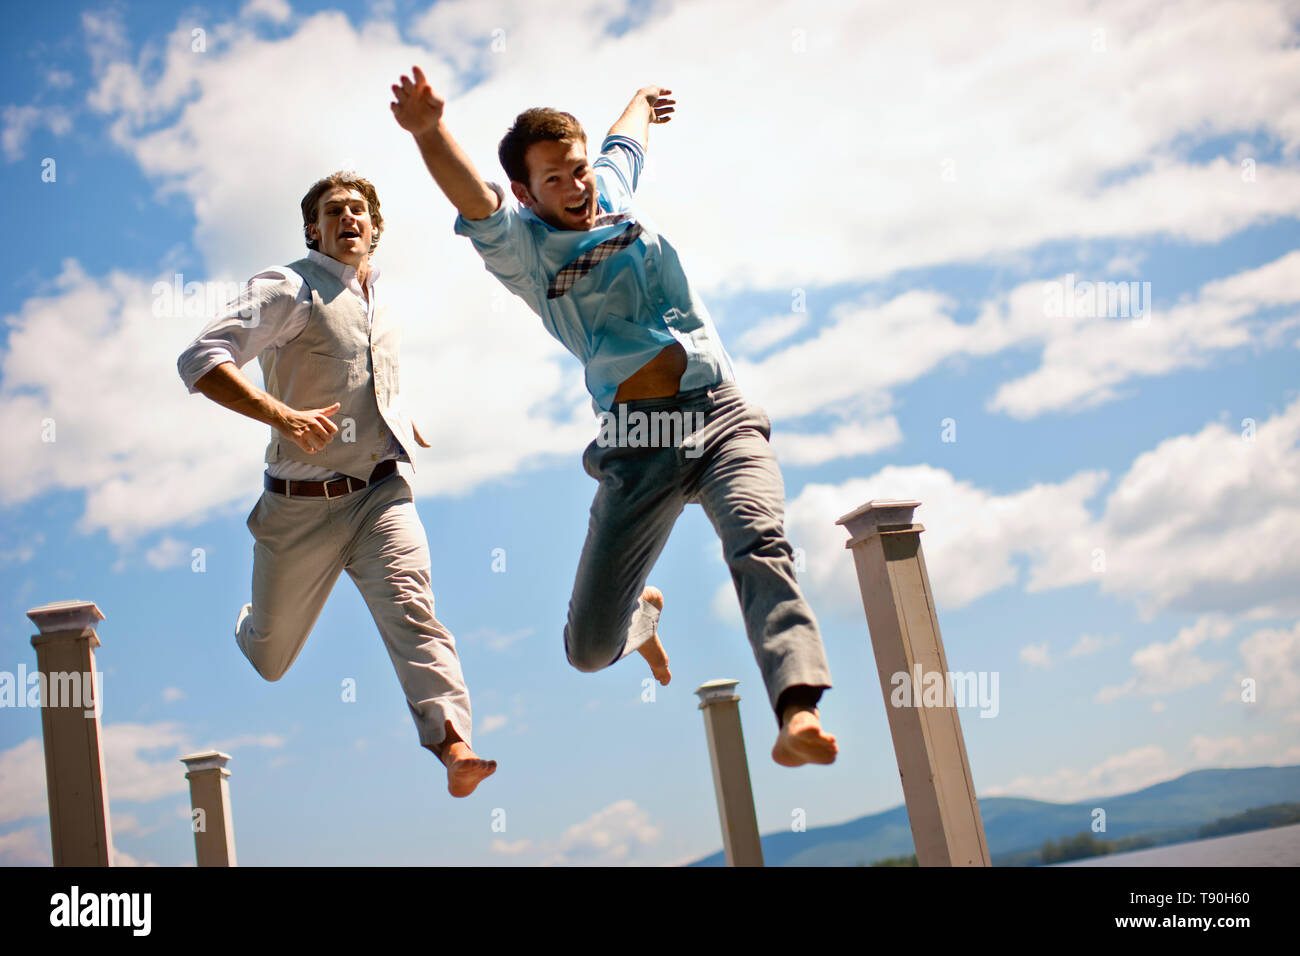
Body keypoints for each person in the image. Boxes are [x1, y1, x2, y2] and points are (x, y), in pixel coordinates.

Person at [391, 66, 837, 767]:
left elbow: (623, 144)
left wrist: (642, 100)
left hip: (721, 416)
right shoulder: (524, 250)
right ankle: (639, 618)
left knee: (759, 543)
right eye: (555, 181)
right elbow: (474, 198)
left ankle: (797, 708)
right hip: (638, 444)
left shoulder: (611, 190)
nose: (575, 189)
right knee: (590, 649)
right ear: (525, 193)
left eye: (577, 171)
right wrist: (429, 129)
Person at [176, 171, 496, 796]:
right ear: (313, 229)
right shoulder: (288, 288)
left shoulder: (387, 298)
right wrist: (283, 417)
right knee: (270, 659)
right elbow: (199, 359)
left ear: (375, 227)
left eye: (358, 209)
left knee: (414, 611)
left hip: (380, 495)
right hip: (298, 511)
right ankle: (255, 621)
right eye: (332, 211)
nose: (348, 218)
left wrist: (393, 415)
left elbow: (363, 369)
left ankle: (453, 745)